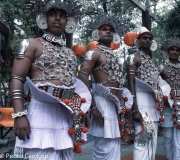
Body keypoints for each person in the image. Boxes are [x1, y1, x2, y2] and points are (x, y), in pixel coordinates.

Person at [10, 0, 91, 159]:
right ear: (43, 18)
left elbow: (71, 85)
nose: (57, 18)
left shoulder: (69, 52)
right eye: (52, 14)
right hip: (40, 112)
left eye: (62, 15)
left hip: (66, 114)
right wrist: (19, 115)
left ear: (67, 21)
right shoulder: (31, 44)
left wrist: (80, 110)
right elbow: (16, 78)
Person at [78, 13, 132, 160]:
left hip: (115, 103)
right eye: (104, 29)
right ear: (98, 33)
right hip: (101, 102)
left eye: (110, 29)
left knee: (114, 141)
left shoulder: (115, 55)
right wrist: (93, 108)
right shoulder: (94, 53)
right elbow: (82, 77)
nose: (108, 31)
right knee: (103, 145)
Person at [126, 26, 166, 160]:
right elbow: (131, 84)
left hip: (153, 104)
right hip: (141, 103)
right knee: (141, 139)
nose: (148, 40)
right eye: (144, 38)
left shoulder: (151, 61)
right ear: (138, 40)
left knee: (152, 141)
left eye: (150, 38)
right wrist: (135, 109)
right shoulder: (134, 58)